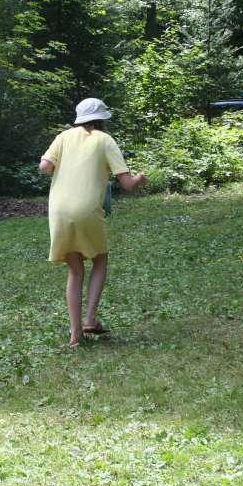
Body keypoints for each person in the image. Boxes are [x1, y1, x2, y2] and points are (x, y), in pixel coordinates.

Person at [39, 98, 147, 349]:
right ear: (102, 119)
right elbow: (127, 185)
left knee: (75, 270)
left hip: (59, 211)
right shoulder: (105, 140)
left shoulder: (63, 137)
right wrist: (140, 179)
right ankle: (89, 319)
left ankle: (75, 334)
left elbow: (44, 167)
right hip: (87, 210)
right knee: (99, 260)